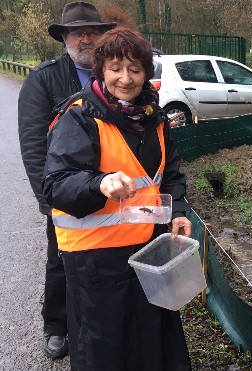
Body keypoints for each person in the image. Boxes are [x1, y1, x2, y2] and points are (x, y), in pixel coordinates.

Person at [42, 26, 192, 370]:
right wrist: (99, 184)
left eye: (135, 69)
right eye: (115, 68)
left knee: (151, 337)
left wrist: (178, 210)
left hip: (148, 250)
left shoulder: (155, 118)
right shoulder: (80, 117)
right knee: (105, 348)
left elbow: (168, 175)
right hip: (96, 260)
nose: (125, 78)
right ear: (101, 71)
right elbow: (56, 185)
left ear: (146, 74)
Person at [17, 1, 116, 359]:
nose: (86, 37)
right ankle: (56, 325)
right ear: (65, 39)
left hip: (107, 187)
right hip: (63, 189)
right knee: (61, 259)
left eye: (92, 30)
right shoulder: (44, 79)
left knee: (101, 258)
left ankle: (93, 321)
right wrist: (48, 200)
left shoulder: (113, 74)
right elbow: (32, 145)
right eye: (78, 32)